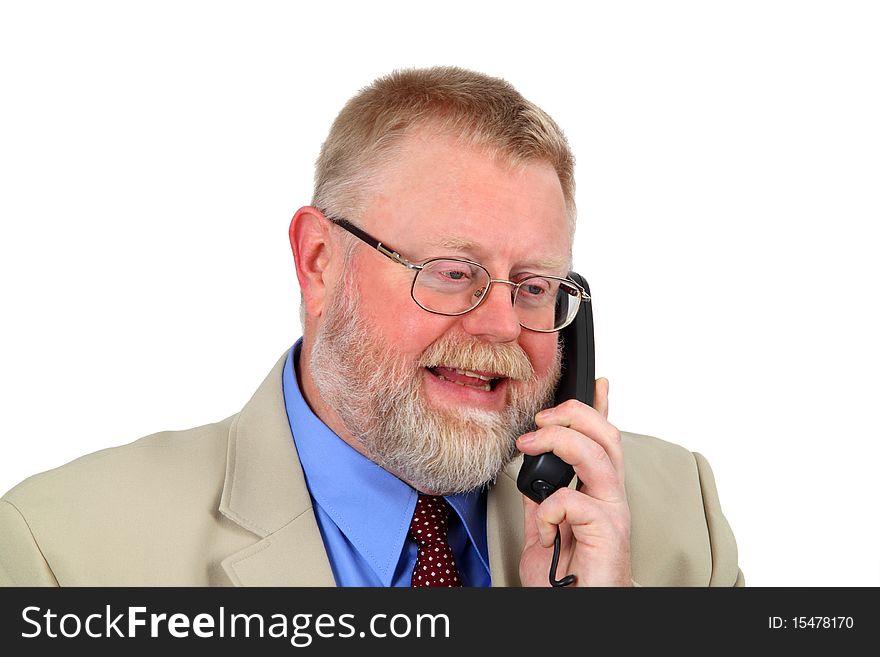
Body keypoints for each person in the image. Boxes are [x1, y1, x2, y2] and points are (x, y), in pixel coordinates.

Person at [0, 66, 742, 587]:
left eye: (534, 285)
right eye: (454, 270)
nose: (500, 325)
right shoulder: (61, 550)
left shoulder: (676, 517)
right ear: (320, 260)